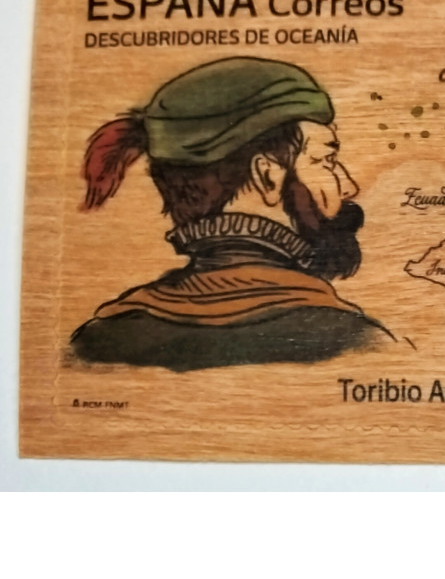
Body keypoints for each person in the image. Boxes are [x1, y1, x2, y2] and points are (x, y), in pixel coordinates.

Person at [70, 56, 396, 371]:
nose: (349, 186)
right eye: (326, 161)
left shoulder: (96, 341)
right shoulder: (354, 343)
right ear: (268, 176)